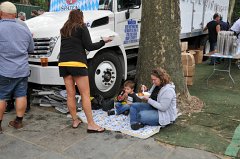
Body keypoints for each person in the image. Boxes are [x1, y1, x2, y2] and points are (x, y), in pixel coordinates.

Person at [58, 9, 112, 132]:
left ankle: (75, 120)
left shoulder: (64, 30)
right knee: (85, 95)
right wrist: (104, 41)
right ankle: (91, 124)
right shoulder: (81, 27)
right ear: (80, 17)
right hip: (77, 63)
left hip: (63, 63)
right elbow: (89, 46)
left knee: (70, 95)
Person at [0, 1, 34, 133]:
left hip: (4, 70)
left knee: (1, 97)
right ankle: (18, 122)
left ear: (1, 13)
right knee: (21, 95)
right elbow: (31, 48)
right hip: (22, 70)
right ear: (14, 14)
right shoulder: (24, 28)